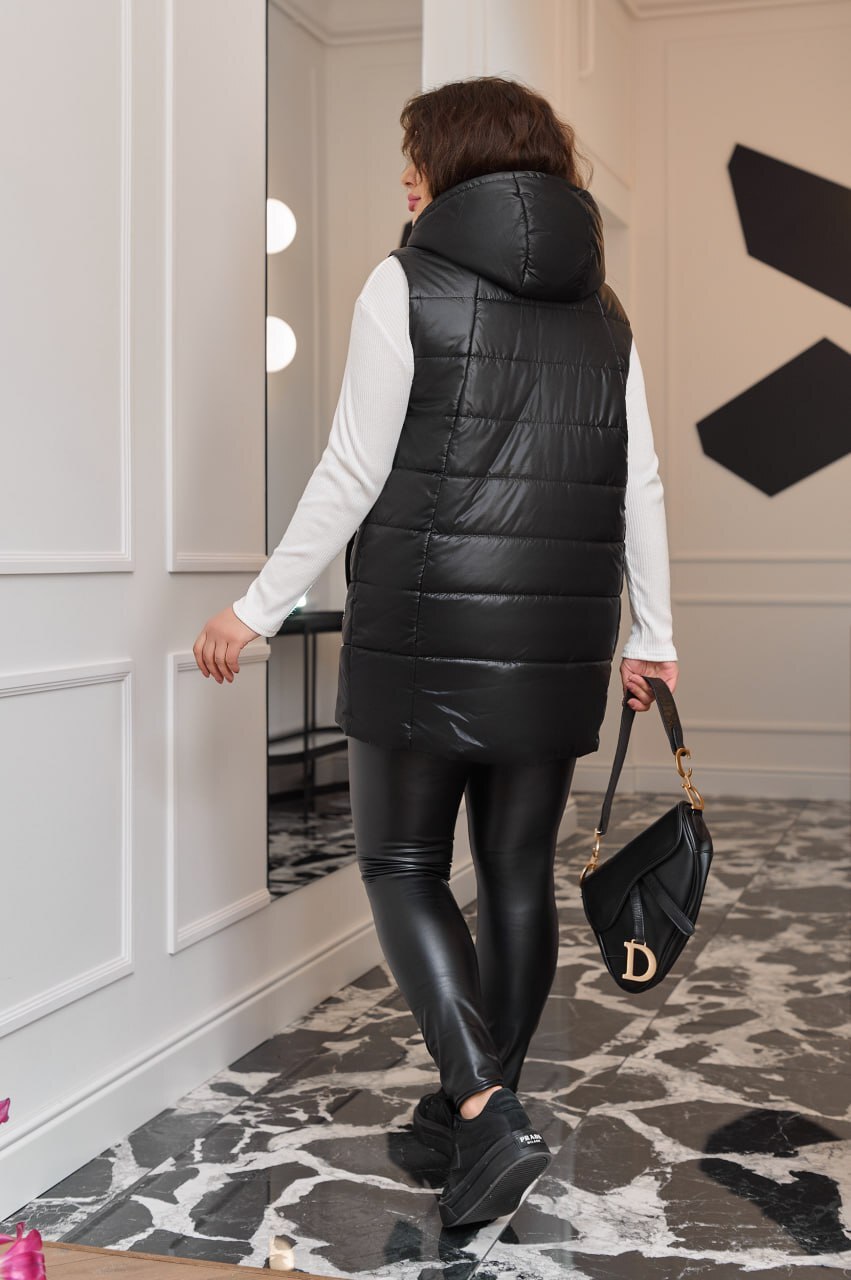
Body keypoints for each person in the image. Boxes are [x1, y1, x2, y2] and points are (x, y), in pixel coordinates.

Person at [193, 77, 678, 1229]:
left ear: (454, 158)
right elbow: (639, 481)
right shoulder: (601, 307)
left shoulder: (404, 280)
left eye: (412, 154)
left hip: (425, 631)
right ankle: (478, 1111)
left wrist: (256, 607)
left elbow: (351, 468)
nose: (403, 177)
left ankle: (479, 1106)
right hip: (557, 639)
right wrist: (653, 631)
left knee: (402, 865)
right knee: (513, 871)